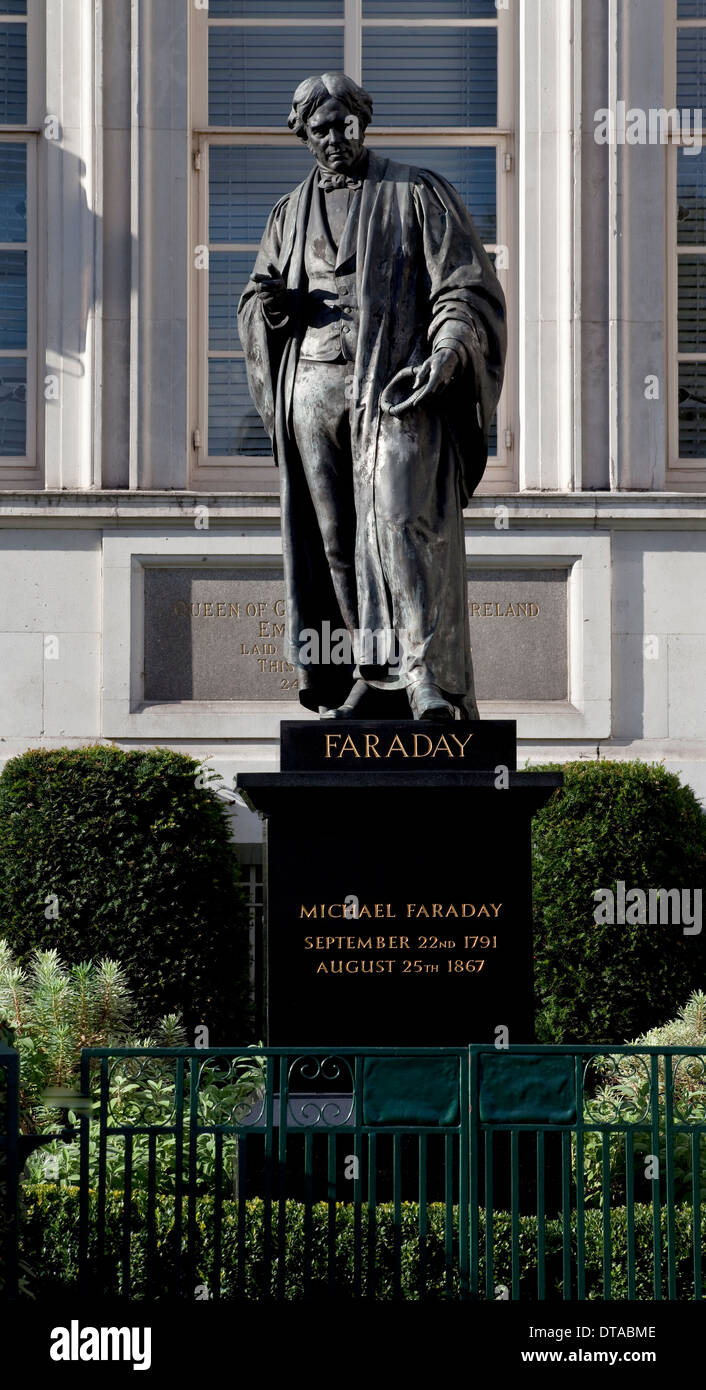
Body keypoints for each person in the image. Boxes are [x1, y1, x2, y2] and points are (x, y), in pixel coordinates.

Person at [238, 72, 506, 720]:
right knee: (335, 538)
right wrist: (270, 311)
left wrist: (446, 353)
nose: (334, 137)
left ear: (364, 119)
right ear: (302, 134)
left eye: (344, 122)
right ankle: (368, 672)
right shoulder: (287, 214)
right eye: (320, 128)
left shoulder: (417, 193)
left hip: (394, 386)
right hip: (312, 388)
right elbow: (255, 297)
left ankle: (424, 677)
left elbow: (464, 289)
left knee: (399, 517)